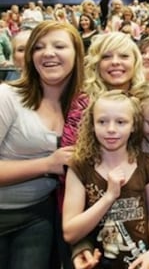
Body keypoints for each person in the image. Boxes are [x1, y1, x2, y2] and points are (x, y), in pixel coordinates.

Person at [0, 20, 84, 269]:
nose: (48, 53)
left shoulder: (81, 105)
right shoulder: (8, 97)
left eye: (59, 46)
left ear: (76, 55)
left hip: (39, 216)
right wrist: (47, 164)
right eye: (38, 47)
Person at [62, 90, 149, 269]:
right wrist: (109, 196)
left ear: (133, 126)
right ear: (92, 125)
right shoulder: (80, 167)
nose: (111, 129)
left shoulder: (147, 165)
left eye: (121, 122)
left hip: (141, 261)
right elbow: (70, 232)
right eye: (102, 121)